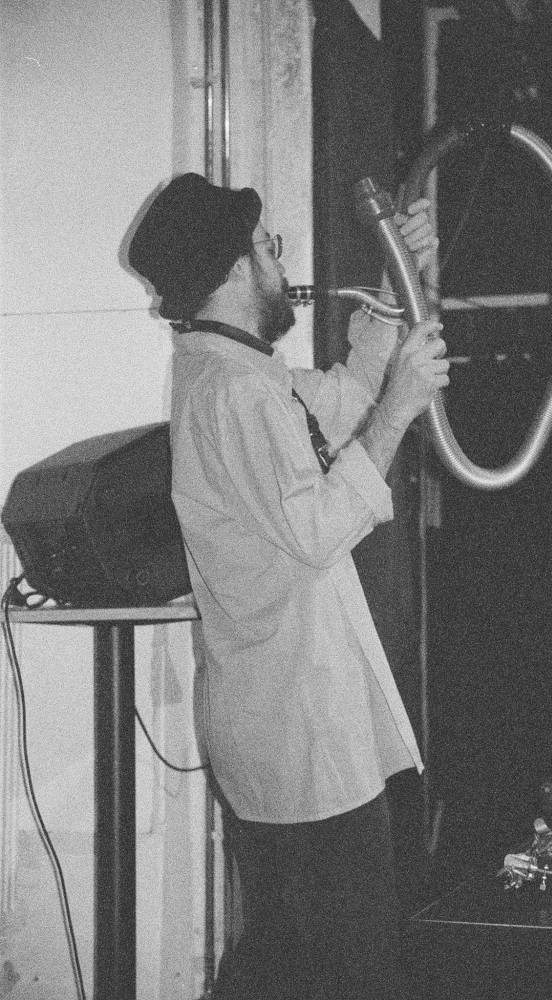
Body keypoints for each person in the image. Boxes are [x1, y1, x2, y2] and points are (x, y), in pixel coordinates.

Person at [127, 172, 449, 1000]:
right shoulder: (233, 392)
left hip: (297, 733)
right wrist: (400, 410)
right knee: (345, 972)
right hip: (294, 743)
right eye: (268, 248)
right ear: (236, 270)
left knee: (290, 961)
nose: (280, 263)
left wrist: (393, 293)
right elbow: (315, 530)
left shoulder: (239, 374)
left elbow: (341, 401)